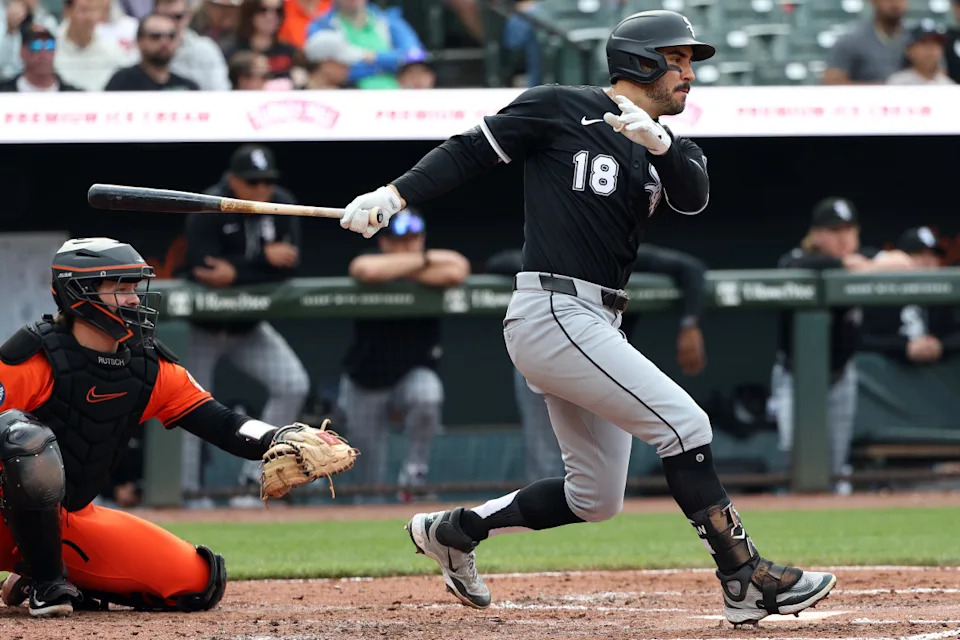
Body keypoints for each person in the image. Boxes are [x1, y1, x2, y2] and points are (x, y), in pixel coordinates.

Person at [337, 9, 837, 626]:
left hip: (596, 319)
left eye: (689, 63)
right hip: (554, 307)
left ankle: (455, 531)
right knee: (684, 425)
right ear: (641, 61)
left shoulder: (668, 146)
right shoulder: (557, 106)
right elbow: (469, 151)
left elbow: (694, 194)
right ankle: (744, 575)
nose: (688, 74)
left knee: (595, 498)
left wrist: (661, 142)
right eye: (677, 60)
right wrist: (395, 195)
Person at [0, 237, 340, 617]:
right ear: (78, 292)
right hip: (2, 513)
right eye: (119, 287)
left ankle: (38, 571)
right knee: (21, 437)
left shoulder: (149, 369)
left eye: (134, 287)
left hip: (65, 521)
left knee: (198, 582)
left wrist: (280, 437)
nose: (133, 299)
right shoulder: (29, 360)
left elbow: (224, 423)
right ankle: (47, 585)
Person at [485, 244, 707, 482]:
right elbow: (499, 262)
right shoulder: (559, 255)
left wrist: (689, 325)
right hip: (551, 356)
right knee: (545, 457)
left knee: (602, 470)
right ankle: (541, 512)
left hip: (602, 368)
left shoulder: (622, 256)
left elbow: (692, 269)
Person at [180, 144, 310, 508]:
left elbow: (290, 266)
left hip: (248, 328)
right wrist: (259, 261)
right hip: (203, 327)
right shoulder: (209, 204)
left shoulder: (282, 202)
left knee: (293, 383)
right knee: (189, 407)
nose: (262, 190)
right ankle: (188, 496)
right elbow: (201, 266)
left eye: (267, 181)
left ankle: (253, 481)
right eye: (253, 183)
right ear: (233, 180)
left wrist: (236, 269)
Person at [770, 197, 915, 495]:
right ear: (818, 234)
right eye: (836, 231)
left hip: (840, 375)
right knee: (796, 460)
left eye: (849, 230)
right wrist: (847, 265)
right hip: (796, 377)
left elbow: (904, 262)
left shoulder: (863, 260)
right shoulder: (800, 259)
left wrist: (865, 265)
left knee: (836, 465)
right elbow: (791, 266)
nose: (845, 237)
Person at [340, 209, 469, 502]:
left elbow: (457, 268)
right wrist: (423, 261)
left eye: (414, 239)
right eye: (400, 240)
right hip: (366, 379)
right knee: (369, 484)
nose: (409, 245)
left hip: (412, 375)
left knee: (429, 394)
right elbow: (366, 269)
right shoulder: (373, 261)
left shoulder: (429, 268)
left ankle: (414, 476)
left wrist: (408, 264)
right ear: (384, 243)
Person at [860, 226, 960, 365]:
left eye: (933, 255)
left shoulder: (944, 296)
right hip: (888, 376)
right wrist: (904, 347)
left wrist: (940, 345)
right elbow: (864, 338)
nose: (927, 262)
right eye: (919, 254)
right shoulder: (882, 292)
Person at [104, 13, 200, 91]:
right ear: (139, 41)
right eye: (155, 36)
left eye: (171, 36)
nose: (164, 42)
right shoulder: (122, 82)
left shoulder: (187, 87)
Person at [823, 0, 908, 85]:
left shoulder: (915, 40)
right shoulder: (850, 41)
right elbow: (832, 84)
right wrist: (883, 89)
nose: (895, 2)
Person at [0, 22, 80, 91]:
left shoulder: (73, 96)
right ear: (22, 52)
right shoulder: (5, 92)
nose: (43, 53)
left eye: (50, 45)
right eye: (36, 45)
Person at [886, 19, 955, 85]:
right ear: (909, 50)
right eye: (923, 42)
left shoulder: (949, 85)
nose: (930, 48)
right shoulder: (897, 83)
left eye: (936, 43)